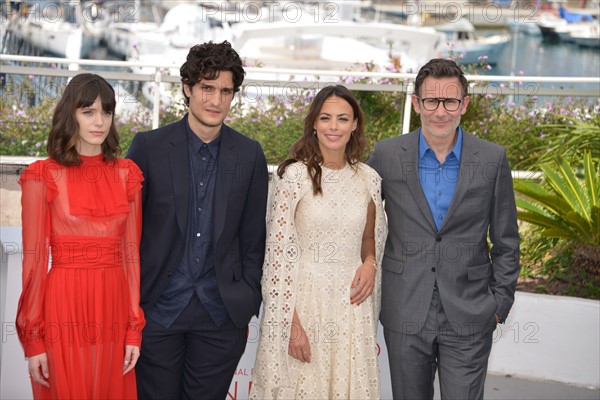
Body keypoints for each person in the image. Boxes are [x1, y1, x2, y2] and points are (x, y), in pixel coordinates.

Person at [368, 58, 520, 399]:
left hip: (470, 311)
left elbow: (507, 240)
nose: (440, 111)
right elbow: (359, 219)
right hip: (405, 308)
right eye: (431, 101)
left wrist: (498, 305)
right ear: (416, 103)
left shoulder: (492, 159)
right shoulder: (387, 155)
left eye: (450, 101)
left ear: (464, 104)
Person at [126, 40, 269, 399]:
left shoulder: (249, 154)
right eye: (207, 87)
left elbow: (254, 238)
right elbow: (128, 234)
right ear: (188, 88)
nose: (216, 100)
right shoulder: (148, 147)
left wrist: (246, 298)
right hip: (157, 311)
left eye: (225, 91)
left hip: (221, 317)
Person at [250, 85, 387, 399]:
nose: (334, 126)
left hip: (352, 308)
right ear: (314, 123)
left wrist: (370, 262)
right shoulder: (293, 178)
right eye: (325, 118)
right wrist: (289, 323)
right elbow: (276, 256)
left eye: (342, 118)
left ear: (355, 125)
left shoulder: (369, 179)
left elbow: (369, 237)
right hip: (304, 303)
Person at [16, 73, 146, 399]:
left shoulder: (127, 174)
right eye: (88, 112)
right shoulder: (42, 175)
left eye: (106, 111)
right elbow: (33, 264)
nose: (99, 121)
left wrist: (133, 331)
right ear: (70, 115)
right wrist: (33, 339)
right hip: (63, 307)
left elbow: (131, 257)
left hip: (113, 307)